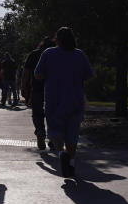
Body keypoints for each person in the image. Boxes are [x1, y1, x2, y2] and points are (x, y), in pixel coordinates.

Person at [34, 27, 93, 178]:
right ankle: (71, 162)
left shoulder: (48, 53)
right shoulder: (79, 55)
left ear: (57, 39)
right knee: (72, 135)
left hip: (54, 100)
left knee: (55, 132)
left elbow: (38, 74)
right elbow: (89, 76)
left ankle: (61, 153)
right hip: (75, 100)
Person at [21, 37, 53, 151]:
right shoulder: (56, 54)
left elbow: (26, 72)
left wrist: (23, 87)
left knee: (37, 113)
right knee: (52, 114)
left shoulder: (33, 54)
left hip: (36, 88)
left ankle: (40, 131)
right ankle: (53, 137)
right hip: (53, 89)